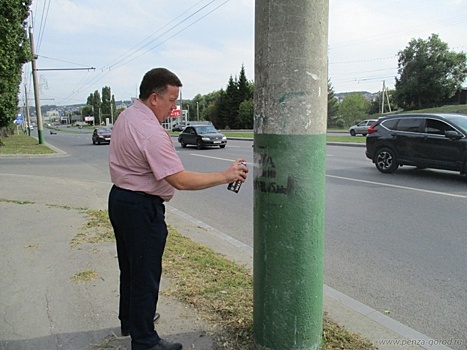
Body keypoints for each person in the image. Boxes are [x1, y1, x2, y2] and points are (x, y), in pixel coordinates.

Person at [108, 67, 248, 350]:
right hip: (140, 207)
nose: (174, 107)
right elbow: (180, 180)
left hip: (120, 199)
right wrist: (225, 175)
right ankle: (145, 340)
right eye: (172, 101)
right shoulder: (151, 132)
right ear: (154, 97)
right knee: (146, 273)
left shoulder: (127, 115)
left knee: (131, 267)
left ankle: (131, 320)